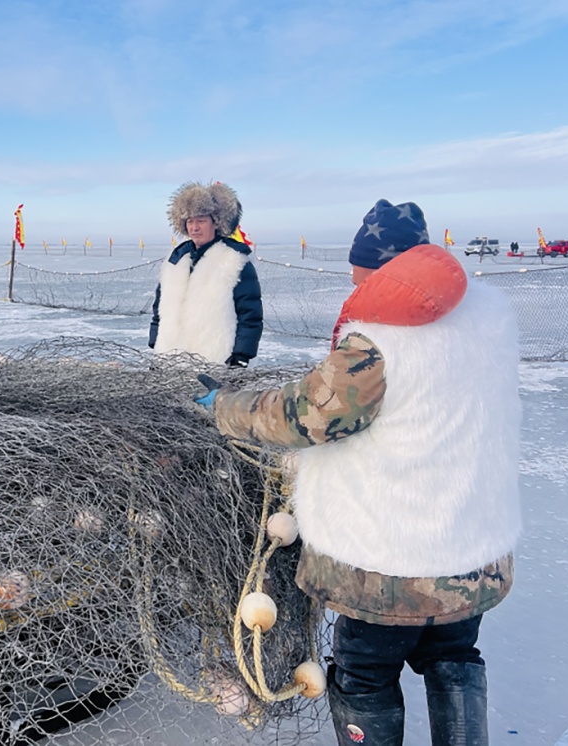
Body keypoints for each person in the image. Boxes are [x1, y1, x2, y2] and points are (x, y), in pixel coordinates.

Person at [200, 200, 521, 745]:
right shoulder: (487, 323)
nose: (352, 278)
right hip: (469, 546)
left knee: (365, 673)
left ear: (380, 268)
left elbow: (303, 416)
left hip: (388, 560)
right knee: (454, 656)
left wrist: (223, 406)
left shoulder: (378, 344)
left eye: (358, 267)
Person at [148, 181, 263, 367]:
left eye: (201, 221)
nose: (194, 228)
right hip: (170, 360)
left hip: (216, 360)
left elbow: (250, 315)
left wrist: (242, 356)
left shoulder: (234, 260)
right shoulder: (175, 260)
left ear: (216, 222)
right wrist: (156, 343)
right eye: (190, 221)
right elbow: (159, 310)